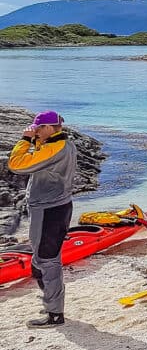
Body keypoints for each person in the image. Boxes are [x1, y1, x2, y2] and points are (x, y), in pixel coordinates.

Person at [6, 110, 78, 328]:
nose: (35, 131)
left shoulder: (53, 149)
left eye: (39, 128)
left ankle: (55, 314)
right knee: (42, 258)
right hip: (56, 206)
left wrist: (25, 139)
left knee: (47, 261)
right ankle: (51, 303)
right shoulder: (63, 143)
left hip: (49, 210)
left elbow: (16, 164)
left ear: (49, 128)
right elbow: (42, 153)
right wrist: (37, 139)